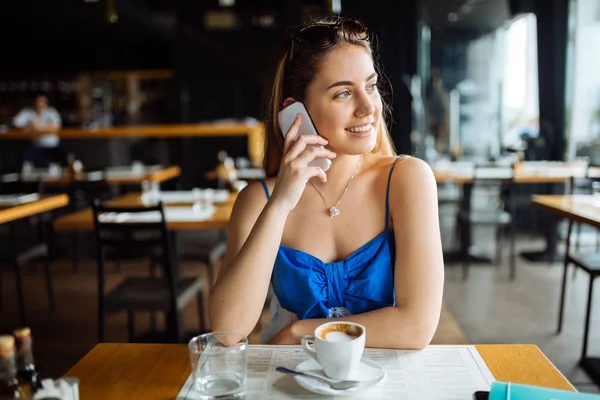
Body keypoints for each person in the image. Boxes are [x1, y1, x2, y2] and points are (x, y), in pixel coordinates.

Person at [209, 17, 444, 349]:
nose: (368, 108)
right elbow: (228, 331)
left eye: (371, 86)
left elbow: (416, 328)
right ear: (297, 113)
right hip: (289, 382)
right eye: (344, 93)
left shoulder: (407, 180)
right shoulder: (259, 199)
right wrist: (280, 204)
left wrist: (299, 331)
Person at [13, 94, 65, 166]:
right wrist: (29, 126)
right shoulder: (28, 112)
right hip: (36, 146)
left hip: (53, 146)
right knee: (23, 156)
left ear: (46, 102)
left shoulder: (51, 112)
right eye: (38, 101)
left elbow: (57, 127)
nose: (40, 103)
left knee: (63, 157)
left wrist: (40, 126)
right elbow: (15, 124)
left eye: (42, 101)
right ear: (34, 102)